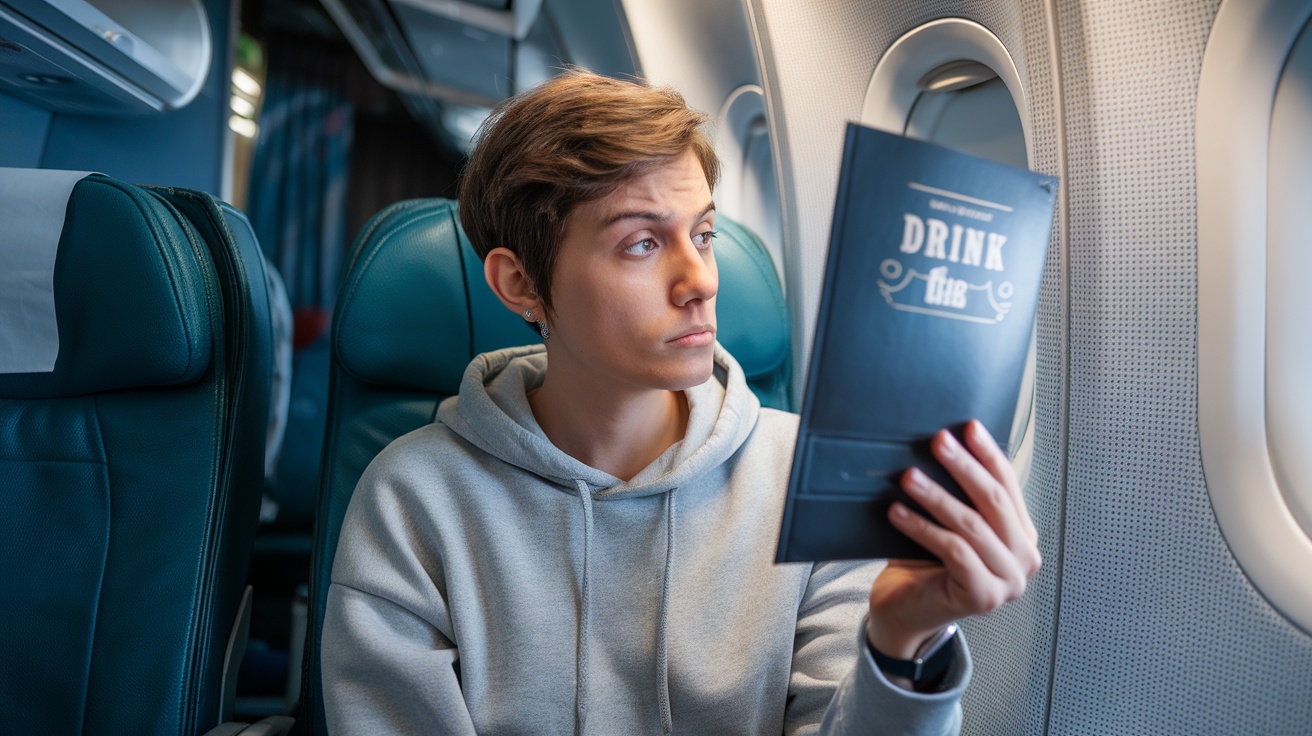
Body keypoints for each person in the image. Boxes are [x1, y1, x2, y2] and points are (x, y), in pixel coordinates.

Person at [321, 70, 1041, 735]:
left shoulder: (808, 476)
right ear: (520, 286)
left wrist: (901, 637)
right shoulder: (413, 500)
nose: (700, 279)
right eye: (641, 244)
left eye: (703, 233)